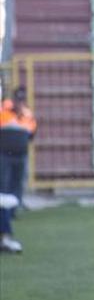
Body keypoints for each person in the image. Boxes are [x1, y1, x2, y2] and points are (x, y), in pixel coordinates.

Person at [0, 86, 37, 254]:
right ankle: (5, 220)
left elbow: (32, 131)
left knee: (17, 185)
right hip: (5, 154)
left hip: (20, 154)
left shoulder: (26, 113)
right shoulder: (5, 109)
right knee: (4, 188)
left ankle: (13, 212)